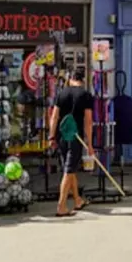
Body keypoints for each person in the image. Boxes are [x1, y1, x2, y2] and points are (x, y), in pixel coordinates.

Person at [48, 71, 94, 217]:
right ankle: (61, 206)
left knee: (70, 169)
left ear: (70, 79)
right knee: (69, 171)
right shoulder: (86, 95)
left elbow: (54, 116)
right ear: (82, 80)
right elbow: (88, 121)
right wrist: (90, 144)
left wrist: (51, 136)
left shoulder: (61, 93)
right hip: (76, 137)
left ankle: (77, 200)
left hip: (62, 136)